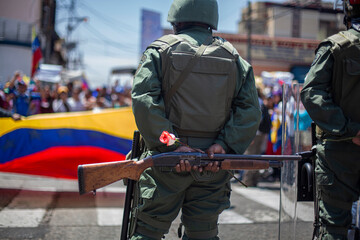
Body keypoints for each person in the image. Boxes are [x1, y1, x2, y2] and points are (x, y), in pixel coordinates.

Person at [130, 0, 261, 239]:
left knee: (147, 231)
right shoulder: (234, 58)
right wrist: (222, 146)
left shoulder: (159, 50)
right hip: (214, 163)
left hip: (166, 162)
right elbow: (250, 111)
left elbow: (144, 103)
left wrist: (173, 145)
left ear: (176, 19)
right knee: (203, 233)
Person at [300, 0, 360, 239]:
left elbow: (311, 93)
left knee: (334, 226)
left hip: (339, 153)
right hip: (339, 151)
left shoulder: (336, 46)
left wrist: (351, 131)